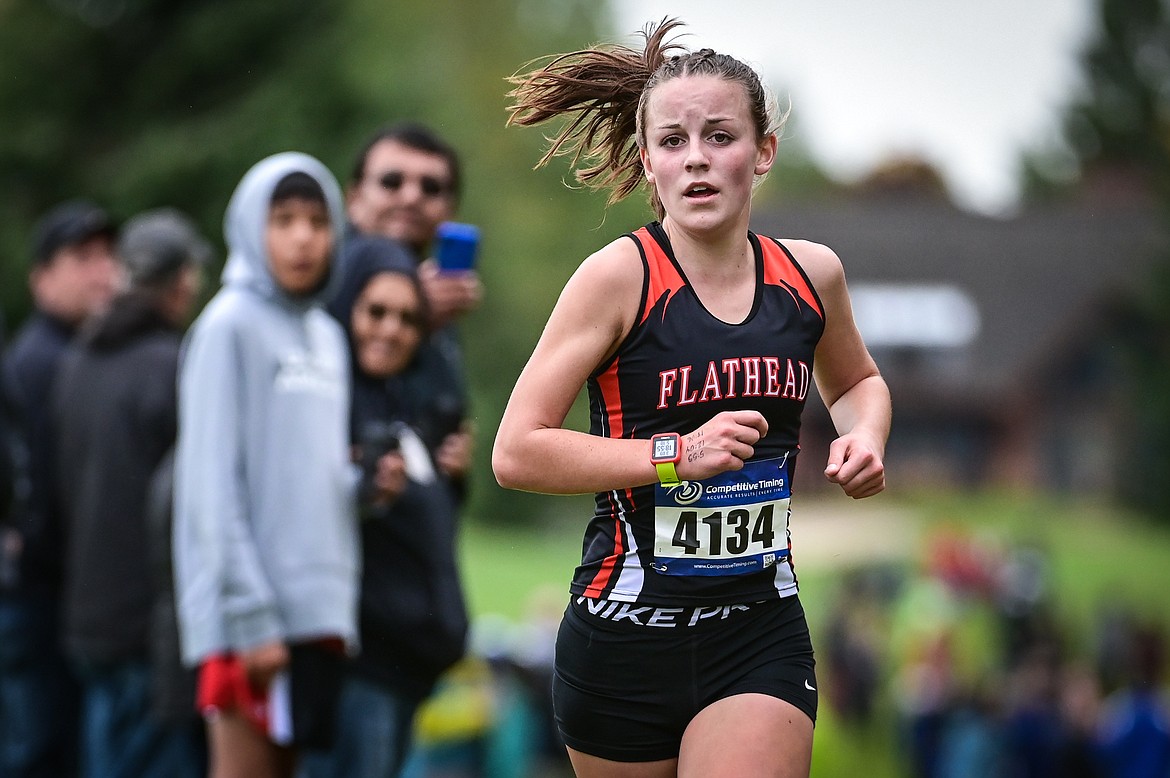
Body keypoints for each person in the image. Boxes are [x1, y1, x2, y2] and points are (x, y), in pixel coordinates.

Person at [492, 18, 890, 778]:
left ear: (762, 151)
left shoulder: (811, 278)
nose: (697, 159)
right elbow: (516, 450)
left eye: (720, 135)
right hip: (625, 636)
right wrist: (677, 455)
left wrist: (865, 435)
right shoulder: (618, 278)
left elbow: (860, 383)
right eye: (674, 141)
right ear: (649, 163)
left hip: (758, 629)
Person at [173, 152, 359, 778]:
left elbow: (310, 477)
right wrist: (251, 619)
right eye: (284, 219)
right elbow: (208, 487)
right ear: (252, 226)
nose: (303, 236)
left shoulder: (328, 337)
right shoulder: (227, 327)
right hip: (250, 622)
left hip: (318, 616)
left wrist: (370, 485)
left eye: (316, 219)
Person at [300, 236, 469, 778]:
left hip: (409, 670)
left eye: (406, 318)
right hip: (357, 667)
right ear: (345, 306)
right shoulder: (323, 401)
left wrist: (450, 479)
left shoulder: (400, 398)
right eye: (375, 311)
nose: (390, 329)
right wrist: (361, 487)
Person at [52, 208, 212, 777]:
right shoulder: (174, 366)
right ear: (181, 281)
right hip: (150, 624)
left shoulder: (75, 362)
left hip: (86, 616)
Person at [1, 199, 120, 778]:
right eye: (82, 258)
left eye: (108, 256)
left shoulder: (80, 354)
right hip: (36, 598)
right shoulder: (37, 362)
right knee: (40, 750)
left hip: (63, 596)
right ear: (41, 276)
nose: (102, 272)